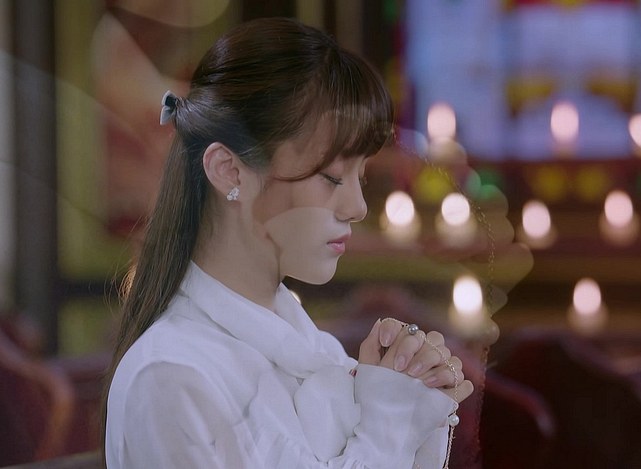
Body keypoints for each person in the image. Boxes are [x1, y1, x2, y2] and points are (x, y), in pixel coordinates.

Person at [103, 17, 473, 468]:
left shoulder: (311, 351)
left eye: (361, 177)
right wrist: (389, 421)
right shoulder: (172, 377)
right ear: (229, 171)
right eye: (331, 177)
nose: (357, 207)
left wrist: (410, 398)